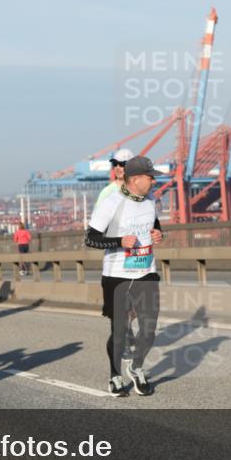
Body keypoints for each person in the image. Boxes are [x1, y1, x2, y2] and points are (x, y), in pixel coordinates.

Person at [85, 155, 163, 397]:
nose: (154, 182)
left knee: (148, 330)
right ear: (136, 179)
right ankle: (115, 375)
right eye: (151, 178)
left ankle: (136, 366)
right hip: (116, 275)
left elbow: (155, 224)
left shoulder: (150, 200)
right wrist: (119, 241)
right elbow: (90, 238)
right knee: (119, 330)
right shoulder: (111, 202)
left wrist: (159, 233)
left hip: (146, 271)